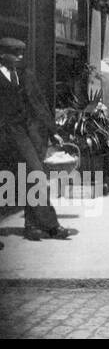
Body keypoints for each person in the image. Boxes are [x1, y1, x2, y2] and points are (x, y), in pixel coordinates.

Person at [0, 37, 70, 242]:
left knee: (35, 174)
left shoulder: (24, 74)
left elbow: (38, 103)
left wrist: (53, 130)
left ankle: (48, 225)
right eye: (16, 53)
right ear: (3, 54)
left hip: (22, 133)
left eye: (22, 53)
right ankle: (34, 226)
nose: (20, 57)